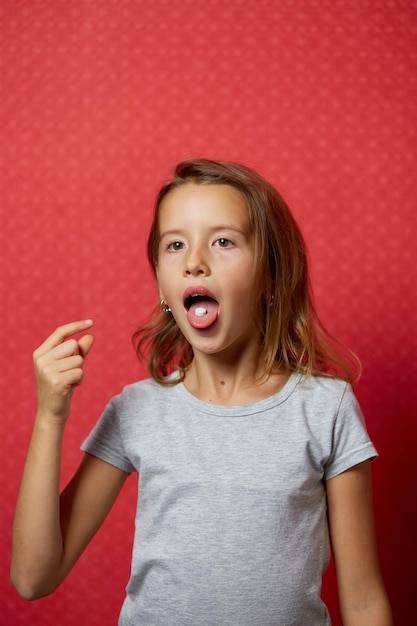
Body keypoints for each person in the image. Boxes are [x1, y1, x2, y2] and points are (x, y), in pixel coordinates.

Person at [11, 159, 393, 625]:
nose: (194, 261)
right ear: (161, 283)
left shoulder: (325, 409)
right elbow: (33, 578)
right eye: (175, 245)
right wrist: (50, 416)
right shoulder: (136, 412)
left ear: (271, 274)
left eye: (223, 241)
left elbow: (364, 602)